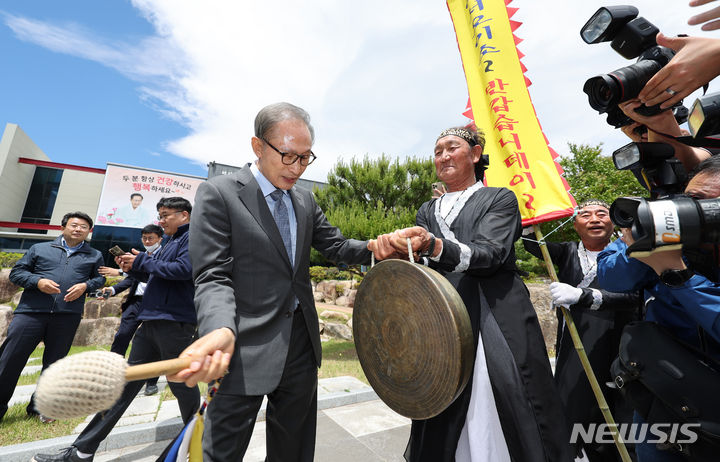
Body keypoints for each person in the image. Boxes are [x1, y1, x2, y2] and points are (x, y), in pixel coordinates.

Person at [170, 102, 372, 462]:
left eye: (306, 158)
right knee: (221, 453)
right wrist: (219, 328)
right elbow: (212, 275)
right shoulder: (220, 193)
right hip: (241, 346)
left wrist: (377, 246)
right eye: (288, 156)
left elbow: (337, 246)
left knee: (293, 452)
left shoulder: (305, 201)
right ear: (258, 146)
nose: (297, 168)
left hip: (300, 347)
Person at [369, 126, 573, 462]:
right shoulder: (427, 210)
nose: (444, 156)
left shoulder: (500, 198)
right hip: (444, 317)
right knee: (442, 393)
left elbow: (490, 254)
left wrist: (433, 244)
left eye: (452, 147)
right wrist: (398, 249)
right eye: (438, 151)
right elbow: (423, 263)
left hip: (495, 311)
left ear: (475, 155)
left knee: (502, 393)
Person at [33, 197, 200, 462]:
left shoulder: (195, 237)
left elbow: (184, 271)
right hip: (153, 319)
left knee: (182, 385)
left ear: (185, 215)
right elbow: (159, 276)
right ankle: (82, 450)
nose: (161, 220)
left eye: (166, 214)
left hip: (174, 322)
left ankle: (204, 441)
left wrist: (143, 263)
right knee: (124, 384)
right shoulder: (170, 241)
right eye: (160, 214)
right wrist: (136, 266)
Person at [597, 156, 720, 461]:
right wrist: (643, 242)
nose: (687, 209)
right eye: (686, 199)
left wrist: (679, 276)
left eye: (703, 203)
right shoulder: (662, 229)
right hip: (664, 393)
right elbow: (612, 276)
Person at [523, 200, 641, 461]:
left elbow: (635, 296)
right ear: (574, 225)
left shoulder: (628, 252)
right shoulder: (565, 252)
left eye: (602, 213)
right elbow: (531, 242)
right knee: (572, 406)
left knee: (619, 410)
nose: (594, 219)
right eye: (585, 215)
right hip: (576, 346)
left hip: (619, 341)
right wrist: (526, 207)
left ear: (613, 222)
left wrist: (585, 296)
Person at [0, 212, 104, 423]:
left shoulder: (94, 255)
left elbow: (100, 278)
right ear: (63, 227)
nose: (78, 229)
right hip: (30, 313)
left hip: (67, 316)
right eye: (74, 225)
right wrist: (37, 281)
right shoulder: (39, 248)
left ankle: (41, 408)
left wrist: (86, 286)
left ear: (88, 231)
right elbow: (17, 273)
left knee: (55, 365)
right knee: (9, 360)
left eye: (83, 227)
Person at [97, 223, 165, 395]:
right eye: (144, 238)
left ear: (160, 239)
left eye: (151, 238)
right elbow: (132, 280)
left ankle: (151, 381)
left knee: (154, 341)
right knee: (122, 335)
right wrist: (112, 290)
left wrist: (120, 272)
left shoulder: (166, 255)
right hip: (136, 302)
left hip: (157, 303)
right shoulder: (140, 256)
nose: (147, 241)